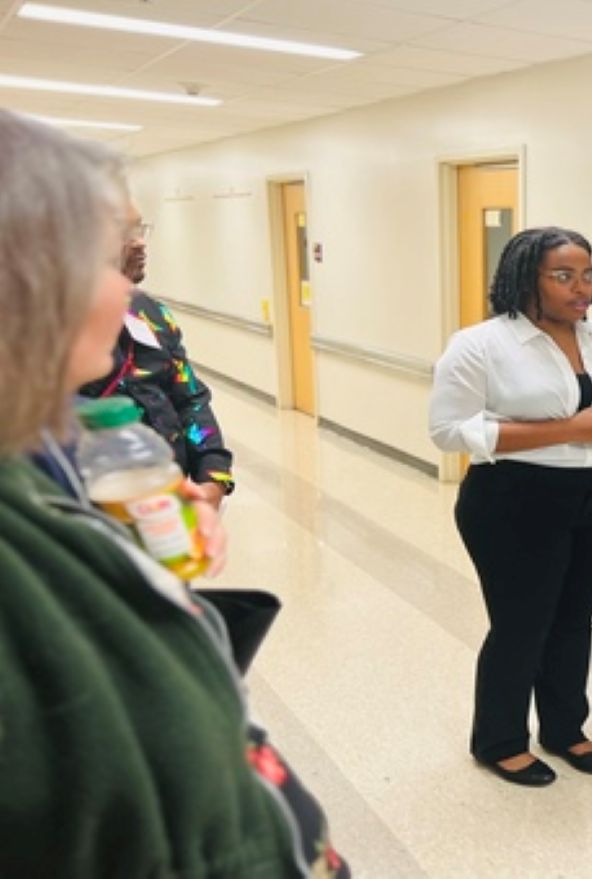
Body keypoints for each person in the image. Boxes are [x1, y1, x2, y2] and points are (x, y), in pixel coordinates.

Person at [0, 111, 345, 876]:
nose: (128, 266)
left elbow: (189, 395)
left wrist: (204, 486)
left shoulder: (58, 441)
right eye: (107, 245)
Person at [429, 226, 592, 788]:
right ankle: (499, 740)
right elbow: (448, 431)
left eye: (588, 274)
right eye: (564, 276)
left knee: (576, 619)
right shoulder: (479, 344)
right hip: (512, 499)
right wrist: (568, 429)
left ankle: (564, 728)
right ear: (524, 279)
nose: (583, 289)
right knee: (521, 624)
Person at [78, 200, 235, 507]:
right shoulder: (48, 332)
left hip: (172, 502)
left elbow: (190, 397)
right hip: (100, 510)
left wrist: (213, 478)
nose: (139, 243)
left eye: (139, 229)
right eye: (123, 232)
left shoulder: (150, 312)